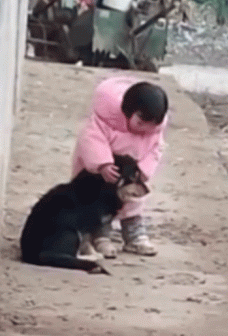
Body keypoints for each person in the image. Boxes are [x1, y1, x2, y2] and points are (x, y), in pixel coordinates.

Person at [71, 76, 168, 257]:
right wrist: (102, 163)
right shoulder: (106, 119)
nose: (144, 130)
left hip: (131, 174)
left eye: (151, 125)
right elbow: (91, 138)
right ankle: (100, 235)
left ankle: (133, 234)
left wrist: (144, 172)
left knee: (133, 200)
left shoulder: (152, 132)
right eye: (140, 123)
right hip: (101, 173)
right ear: (127, 111)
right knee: (100, 201)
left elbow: (156, 149)